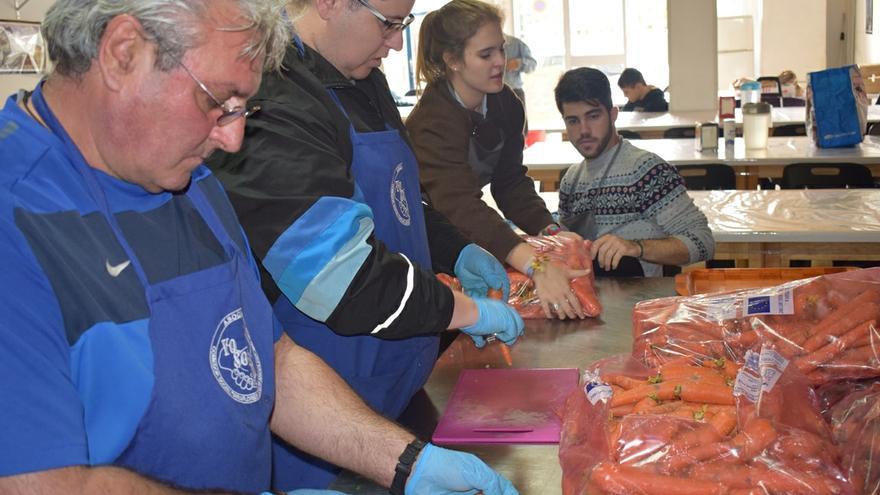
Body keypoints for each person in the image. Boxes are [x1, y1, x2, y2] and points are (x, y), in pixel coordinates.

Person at [0, 1, 518, 495]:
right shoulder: (18, 218)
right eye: (216, 102)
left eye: (244, 107)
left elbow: (272, 360)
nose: (233, 138)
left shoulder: (192, 181)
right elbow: (39, 483)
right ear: (123, 53)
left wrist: (406, 462)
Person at [207, 0, 524, 491]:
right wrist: (462, 311)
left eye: (405, 24)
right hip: (321, 415)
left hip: (393, 381)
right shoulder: (275, 96)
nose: (398, 43)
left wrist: (456, 250)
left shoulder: (364, 78)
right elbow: (338, 278)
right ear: (331, 3)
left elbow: (404, 201)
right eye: (389, 24)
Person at [405, 0, 589, 320]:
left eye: (501, 50)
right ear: (453, 61)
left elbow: (510, 183)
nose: (501, 62)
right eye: (486, 54)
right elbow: (458, 204)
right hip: (421, 241)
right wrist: (535, 264)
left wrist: (550, 233)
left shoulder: (505, 104)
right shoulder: (433, 120)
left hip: (465, 232)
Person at [555, 68, 714, 277]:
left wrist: (636, 248)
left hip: (640, 305)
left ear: (613, 115)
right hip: (587, 301)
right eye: (573, 121)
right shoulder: (571, 181)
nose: (583, 130)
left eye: (593, 116)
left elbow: (703, 241)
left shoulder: (647, 172)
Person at [502, 32, 536, 129]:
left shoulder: (515, 43)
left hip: (514, 92)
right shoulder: (482, 43)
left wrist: (519, 63)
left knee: (520, 128)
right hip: (489, 93)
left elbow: (532, 65)